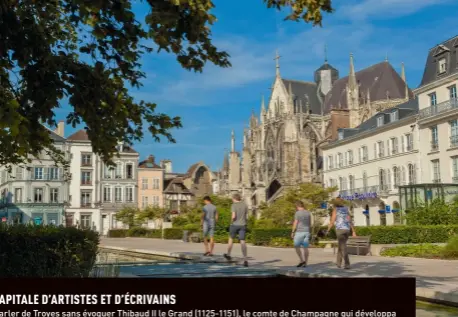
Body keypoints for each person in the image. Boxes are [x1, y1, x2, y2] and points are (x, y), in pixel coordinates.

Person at [327, 196, 356, 269]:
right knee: (341, 246)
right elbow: (349, 220)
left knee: (343, 247)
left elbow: (332, 221)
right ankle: (338, 263)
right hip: (347, 230)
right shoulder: (346, 209)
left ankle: (347, 264)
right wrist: (353, 231)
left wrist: (328, 230)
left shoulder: (335, 210)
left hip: (340, 230)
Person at [224, 193, 249, 267]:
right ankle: (245, 260)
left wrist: (231, 222)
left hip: (235, 225)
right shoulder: (245, 205)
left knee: (231, 239)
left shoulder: (233, 205)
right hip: (243, 225)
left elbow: (233, 216)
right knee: (242, 241)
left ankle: (228, 254)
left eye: (232, 198)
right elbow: (247, 216)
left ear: (234, 198)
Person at [290, 200, 312, 267]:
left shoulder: (297, 213)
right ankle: (305, 263)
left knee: (296, 246)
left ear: (297, 206)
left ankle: (302, 260)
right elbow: (309, 223)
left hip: (299, 232)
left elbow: (295, 223)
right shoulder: (308, 213)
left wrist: (293, 232)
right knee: (305, 247)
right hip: (307, 231)